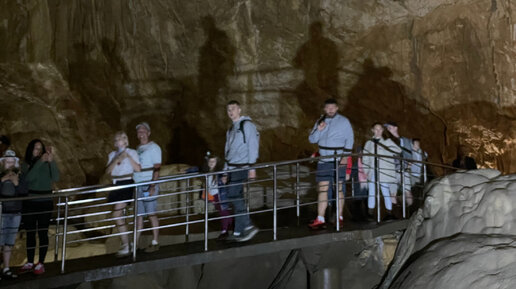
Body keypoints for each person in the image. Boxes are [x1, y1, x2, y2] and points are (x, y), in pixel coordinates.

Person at [308, 98, 354, 229]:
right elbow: (312, 139)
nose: (330, 110)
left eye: (332, 107)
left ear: (337, 108)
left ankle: (339, 217)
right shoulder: (320, 121)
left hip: (338, 158)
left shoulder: (344, 121)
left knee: (338, 187)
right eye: (328, 108)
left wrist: (345, 157)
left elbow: (349, 139)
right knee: (322, 188)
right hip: (324, 159)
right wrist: (319, 129)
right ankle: (320, 218)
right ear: (324, 109)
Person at [18, 139, 59, 275]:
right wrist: (40, 162)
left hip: (45, 201)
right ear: (31, 150)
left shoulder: (47, 164)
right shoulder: (26, 165)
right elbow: (29, 178)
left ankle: (40, 262)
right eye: (36, 148)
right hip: (30, 202)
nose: (39, 151)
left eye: (40, 149)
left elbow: (56, 177)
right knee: (30, 232)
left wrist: (51, 161)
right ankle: (30, 261)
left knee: (42, 232)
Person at [224, 100, 260, 242]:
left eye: (233, 109)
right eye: (228, 110)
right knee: (237, 198)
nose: (231, 112)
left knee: (233, 196)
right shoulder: (231, 129)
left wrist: (252, 168)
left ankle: (249, 226)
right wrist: (226, 171)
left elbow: (253, 146)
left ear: (239, 109)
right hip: (233, 168)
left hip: (242, 166)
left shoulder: (247, 125)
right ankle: (238, 232)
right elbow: (228, 150)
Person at [105, 132, 141, 257]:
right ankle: (127, 243)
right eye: (119, 138)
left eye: (124, 138)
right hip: (116, 184)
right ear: (115, 142)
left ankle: (126, 244)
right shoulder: (112, 154)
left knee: (116, 214)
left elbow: (138, 169)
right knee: (117, 215)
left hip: (127, 183)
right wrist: (117, 159)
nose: (122, 140)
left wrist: (128, 158)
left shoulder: (132, 152)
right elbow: (108, 171)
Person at [133, 122, 162, 253]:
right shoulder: (137, 148)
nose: (141, 133)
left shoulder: (154, 147)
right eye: (139, 131)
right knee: (139, 216)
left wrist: (152, 185)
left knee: (151, 214)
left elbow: (157, 167)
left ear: (149, 133)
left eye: (144, 131)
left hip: (148, 184)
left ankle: (155, 242)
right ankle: (135, 245)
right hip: (138, 185)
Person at [363, 123, 402, 219]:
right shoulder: (369, 143)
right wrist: (366, 170)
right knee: (371, 191)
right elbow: (365, 158)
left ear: (382, 130)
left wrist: (386, 146)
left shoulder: (387, 142)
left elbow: (398, 150)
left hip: (383, 170)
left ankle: (389, 212)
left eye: (380, 129)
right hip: (372, 170)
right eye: (376, 129)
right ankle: (370, 212)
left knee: (385, 191)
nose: (378, 131)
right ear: (373, 130)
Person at [0, 150, 27, 279]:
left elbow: (24, 191)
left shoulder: (19, 176)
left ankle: (6, 268)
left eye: (12, 162)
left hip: (15, 213)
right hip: (1, 213)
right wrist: (3, 180)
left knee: (9, 242)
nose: (10, 165)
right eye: (7, 162)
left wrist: (16, 183)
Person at [201, 153, 233, 240]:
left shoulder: (219, 172)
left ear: (217, 162)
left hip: (219, 194)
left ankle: (224, 231)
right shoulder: (207, 172)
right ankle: (233, 225)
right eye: (210, 161)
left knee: (223, 212)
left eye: (213, 161)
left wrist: (225, 176)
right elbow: (197, 169)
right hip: (213, 195)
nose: (211, 163)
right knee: (222, 212)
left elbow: (226, 169)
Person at [384, 122, 413, 206]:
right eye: (388, 128)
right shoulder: (388, 141)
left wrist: (408, 167)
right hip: (393, 169)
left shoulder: (404, 140)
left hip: (404, 168)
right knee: (392, 192)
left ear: (396, 128)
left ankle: (410, 212)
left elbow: (409, 154)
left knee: (407, 190)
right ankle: (393, 214)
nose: (388, 129)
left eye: (390, 127)